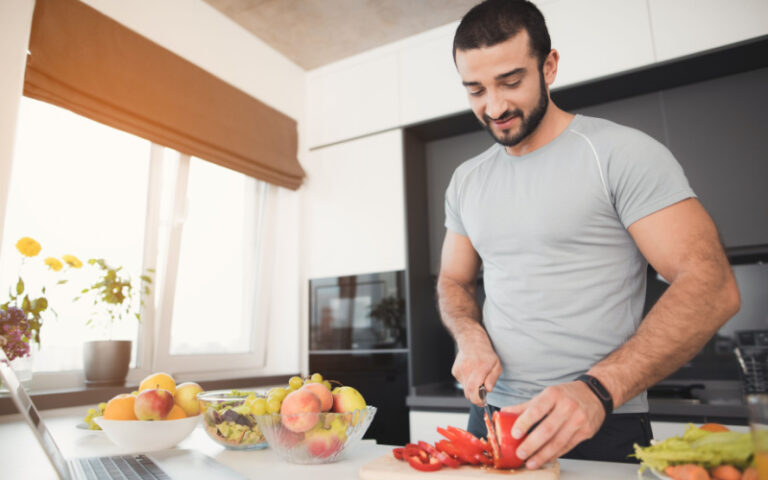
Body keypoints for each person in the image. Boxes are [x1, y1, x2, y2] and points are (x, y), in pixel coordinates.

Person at [437, 0, 741, 469]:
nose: (493, 106)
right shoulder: (466, 181)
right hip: (491, 417)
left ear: (550, 65)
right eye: (475, 89)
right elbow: (454, 282)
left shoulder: (620, 154)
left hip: (600, 417)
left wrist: (598, 390)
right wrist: (470, 335)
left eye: (511, 82)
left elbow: (712, 284)